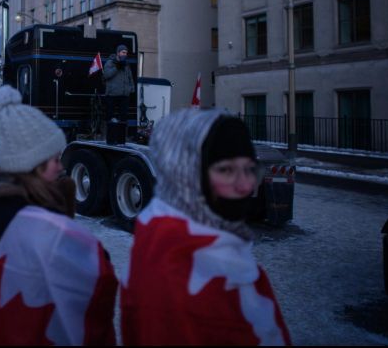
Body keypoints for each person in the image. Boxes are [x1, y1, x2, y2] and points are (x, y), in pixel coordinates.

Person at [0, 85, 118, 346]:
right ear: (34, 167)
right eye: (54, 160)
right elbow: (98, 282)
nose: (62, 167)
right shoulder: (49, 232)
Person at [121, 109, 291, 346]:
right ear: (188, 176)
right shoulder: (179, 275)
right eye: (226, 170)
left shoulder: (189, 238)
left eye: (250, 169)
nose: (245, 186)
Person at [103, 44, 134, 124]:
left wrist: (131, 88)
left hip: (124, 95)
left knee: (123, 119)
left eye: (126, 53)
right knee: (110, 118)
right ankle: (110, 135)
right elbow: (106, 75)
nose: (125, 54)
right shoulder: (110, 62)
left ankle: (122, 135)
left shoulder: (126, 64)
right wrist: (117, 67)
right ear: (118, 53)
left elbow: (130, 77)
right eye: (123, 52)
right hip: (112, 95)